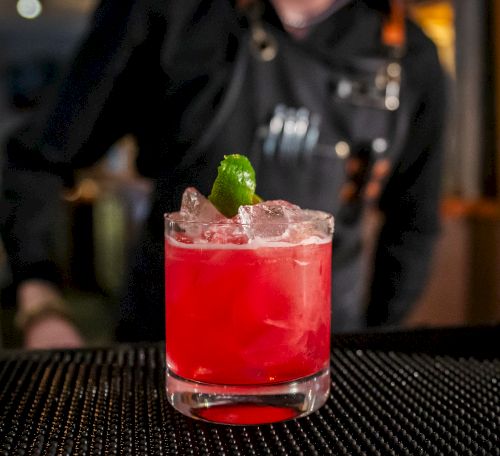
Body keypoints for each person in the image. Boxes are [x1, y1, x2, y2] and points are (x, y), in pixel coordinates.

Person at [0, 0, 446, 348]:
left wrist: (377, 341)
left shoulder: (412, 54)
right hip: (168, 351)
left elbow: (414, 222)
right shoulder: (168, 12)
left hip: (316, 354)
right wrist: (41, 305)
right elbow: (34, 159)